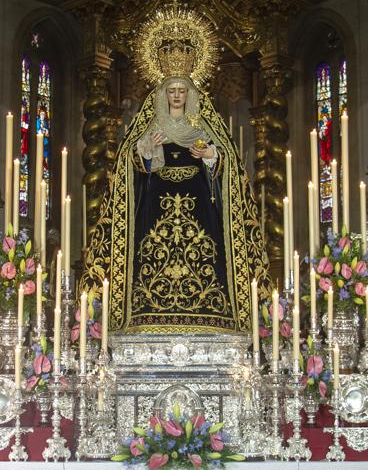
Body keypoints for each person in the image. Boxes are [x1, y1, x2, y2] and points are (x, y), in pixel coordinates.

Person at [87, 75, 266, 333]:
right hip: (157, 199)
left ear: (189, 95)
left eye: (182, 90)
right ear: (164, 95)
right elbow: (131, 165)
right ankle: (147, 308)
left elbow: (228, 163)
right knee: (149, 246)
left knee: (207, 245)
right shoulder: (152, 125)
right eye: (171, 90)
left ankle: (210, 308)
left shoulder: (202, 126)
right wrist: (146, 151)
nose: (177, 95)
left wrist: (210, 154)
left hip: (198, 198)